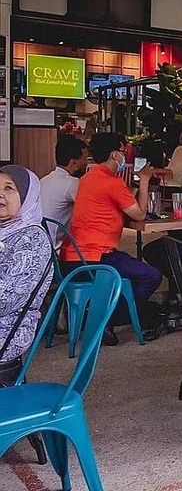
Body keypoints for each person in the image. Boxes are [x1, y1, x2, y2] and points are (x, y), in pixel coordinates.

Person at [62, 133, 162, 341]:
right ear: (115, 154)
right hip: (97, 257)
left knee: (128, 264)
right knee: (151, 276)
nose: (124, 156)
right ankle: (106, 317)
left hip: (73, 256)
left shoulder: (88, 178)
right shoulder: (111, 182)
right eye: (123, 152)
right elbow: (139, 214)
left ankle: (101, 312)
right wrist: (144, 179)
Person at [0, 165, 55, 364]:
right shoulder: (6, 230)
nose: (0, 195)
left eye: (8, 188)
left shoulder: (31, 240)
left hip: (7, 332)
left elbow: (5, 300)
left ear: (27, 196)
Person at [40, 136, 87, 250]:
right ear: (74, 162)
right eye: (85, 158)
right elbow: (90, 208)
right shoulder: (72, 183)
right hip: (56, 249)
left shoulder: (44, 180)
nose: (87, 163)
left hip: (41, 240)